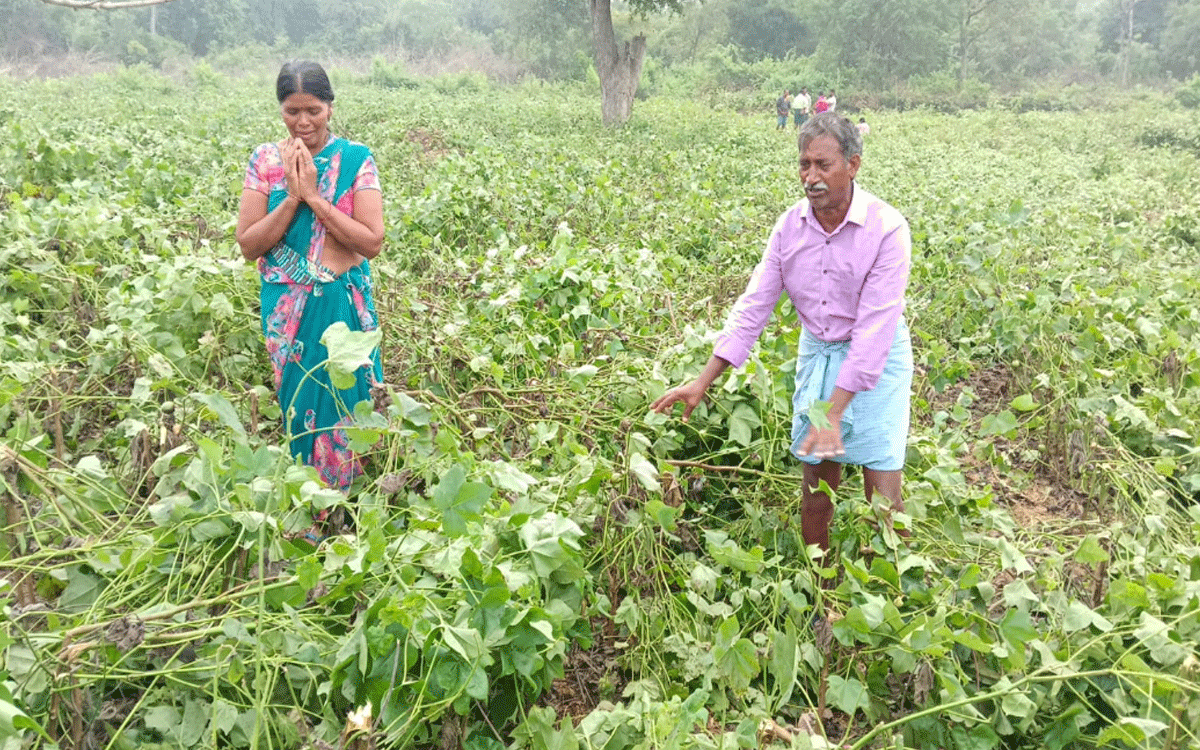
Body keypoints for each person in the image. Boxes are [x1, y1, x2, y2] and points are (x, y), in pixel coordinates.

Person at [652, 112, 912, 564]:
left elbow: (873, 333)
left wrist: (834, 411)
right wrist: (703, 380)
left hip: (878, 361)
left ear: (853, 164)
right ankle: (822, 589)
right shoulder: (789, 228)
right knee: (817, 487)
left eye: (823, 165)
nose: (811, 177)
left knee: (883, 499)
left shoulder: (887, 229)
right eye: (804, 164)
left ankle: (891, 596)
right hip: (820, 352)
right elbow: (754, 307)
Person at [236, 61, 385, 510]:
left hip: (343, 300)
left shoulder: (357, 159)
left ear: (330, 107)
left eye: (313, 110)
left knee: (349, 401)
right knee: (301, 403)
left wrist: (317, 198)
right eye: (291, 111)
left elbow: (371, 241)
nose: (303, 123)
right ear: (280, 109)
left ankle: (353, 504)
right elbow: (249, 244)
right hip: (288, 306)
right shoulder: (264, 162)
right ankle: (311, 503)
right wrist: (294, 196)